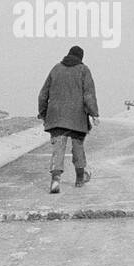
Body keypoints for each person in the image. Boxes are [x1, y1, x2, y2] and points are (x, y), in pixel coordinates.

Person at [37, 44, 100, 194]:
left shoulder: (56, 69)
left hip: (57, 117)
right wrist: (94, 114)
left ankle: (55, 180)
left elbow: (43, 94)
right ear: (81, 58)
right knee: (78, 147)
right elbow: (88, 95)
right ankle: (79, 178)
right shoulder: (83, 70)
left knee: (58, 148)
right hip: (77, 118)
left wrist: (43, 112)